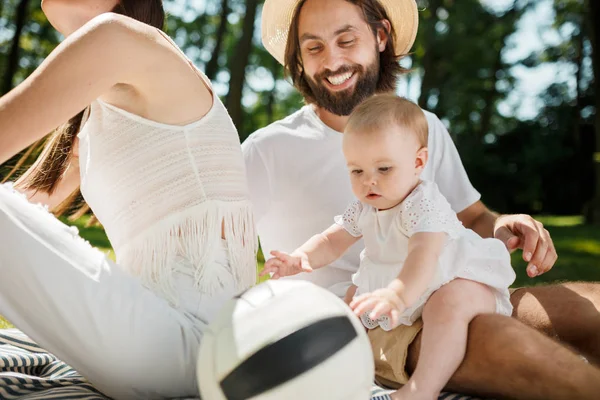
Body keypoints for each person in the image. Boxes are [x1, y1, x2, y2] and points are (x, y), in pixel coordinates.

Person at [244, 0, 600, 398]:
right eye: (314, 48)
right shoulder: (265, 149)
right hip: (368, 319)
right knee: (504, 341)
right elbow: (222, 252)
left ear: (380, 36)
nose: (332, 61)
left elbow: (471, 217)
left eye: (346, 40)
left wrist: (502, 224)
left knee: (591, 305)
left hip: (447, 283)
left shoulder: (422, 127)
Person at [0, 1, 257, 399]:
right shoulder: (103, 110)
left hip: (189, 343)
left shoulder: (122, 40)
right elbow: (28, 204)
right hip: (160, 339)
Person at [262, 94, 517, 400]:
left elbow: (424, 254)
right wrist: (300, 257)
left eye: (383, 169)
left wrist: (398, 294)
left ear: (418, 162)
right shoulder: (364, 207)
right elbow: (331, 240)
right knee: (352, 299)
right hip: (400, 281)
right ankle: (335, 367)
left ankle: (422, 389)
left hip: (453, 277)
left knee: (447, 305)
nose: (369, 182)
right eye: (357, 171)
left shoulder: (424, 205)